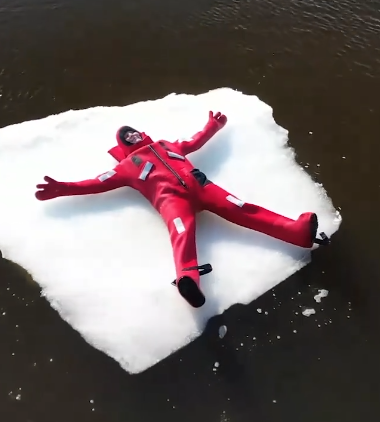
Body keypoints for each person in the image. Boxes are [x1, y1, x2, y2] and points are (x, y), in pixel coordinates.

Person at [34, 111, 328, 308]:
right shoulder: (126, 167)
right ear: (123, 146)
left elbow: (193, 141)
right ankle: (188, 279)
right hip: (171, 202)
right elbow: (98, 182)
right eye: (127, 137)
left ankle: (296, 231)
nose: (133, 137)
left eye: (134, 133)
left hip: (203, 186)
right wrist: (65, 187)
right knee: (182, 234)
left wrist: (212, 127)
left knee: (242, 208)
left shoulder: (167, 145)